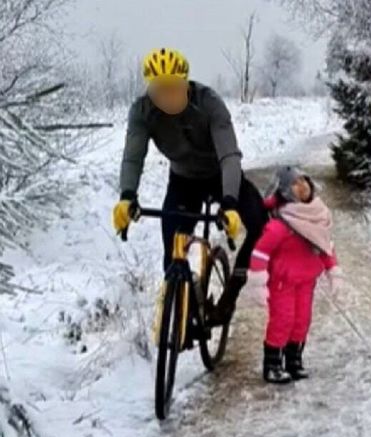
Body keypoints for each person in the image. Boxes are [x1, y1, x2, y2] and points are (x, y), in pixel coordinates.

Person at [111, 48, 267, 325]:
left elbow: (229, 155)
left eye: (174, 88)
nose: (167, 97)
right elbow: (133, 156)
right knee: (172, 246)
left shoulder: (209, 103)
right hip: (183, 181)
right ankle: (185, 306)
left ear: (186, 84)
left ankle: (230, 295)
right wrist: (127, 195)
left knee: (260, 225)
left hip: (220, 175)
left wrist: (230, 202)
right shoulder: (143, 111)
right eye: (159, 90)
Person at [247, 167, 341, 384]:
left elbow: (325, 246)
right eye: (295, 183)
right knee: (283, 320)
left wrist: (333, 271)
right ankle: (272, 364)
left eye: (304, 181)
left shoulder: (317, 219)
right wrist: (258, 281)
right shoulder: (281, 225)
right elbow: (261, 252)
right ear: (285, 191)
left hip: (307, 282)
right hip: (283, 283)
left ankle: (294, 360)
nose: (303, 186)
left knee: (302, 320)